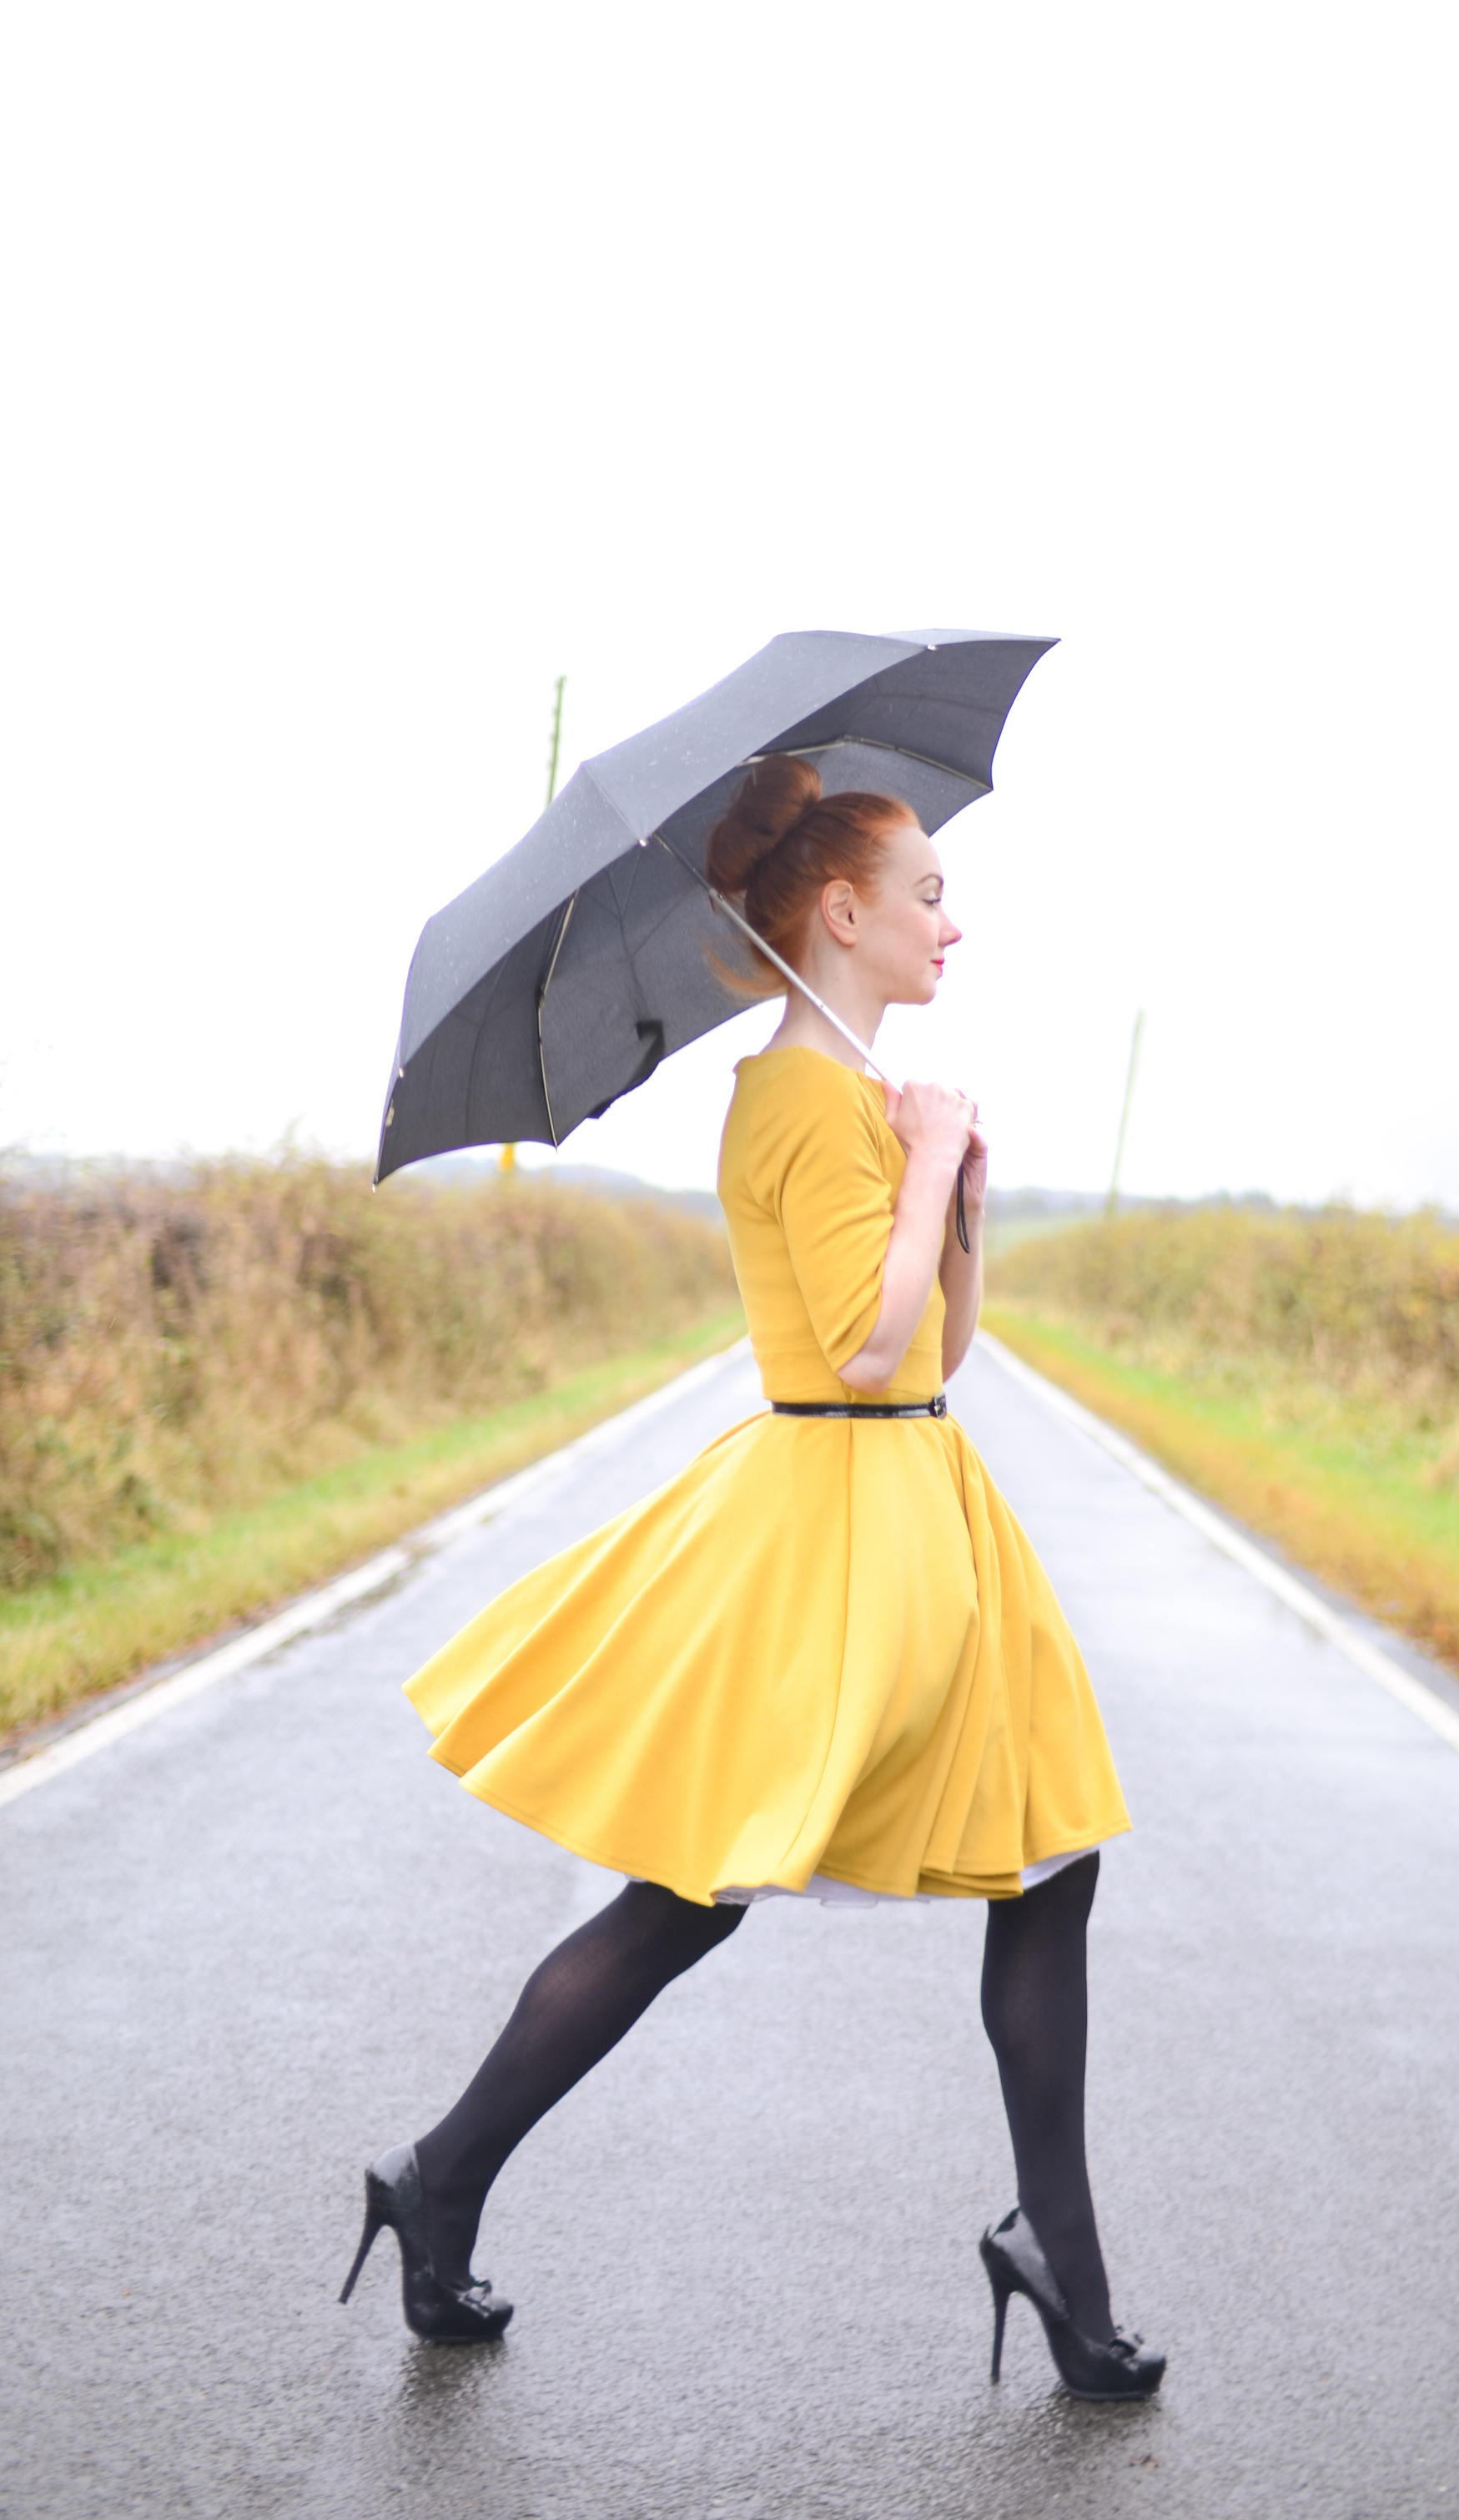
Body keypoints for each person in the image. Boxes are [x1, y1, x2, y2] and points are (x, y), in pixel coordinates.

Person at [339, 758, 1165, 2402]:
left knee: (1039, 1858)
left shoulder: (864, 1095)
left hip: (922, 1503)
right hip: (841, 1521)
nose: (952, 918)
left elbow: (936, 1348)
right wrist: (923, 1159)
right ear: (839, 912)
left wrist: (963, 1205)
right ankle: (441, 2173)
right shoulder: (795, 1096)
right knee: (693, 1892)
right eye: (926, 891)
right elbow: (861, 1359)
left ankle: (1055, 2253)